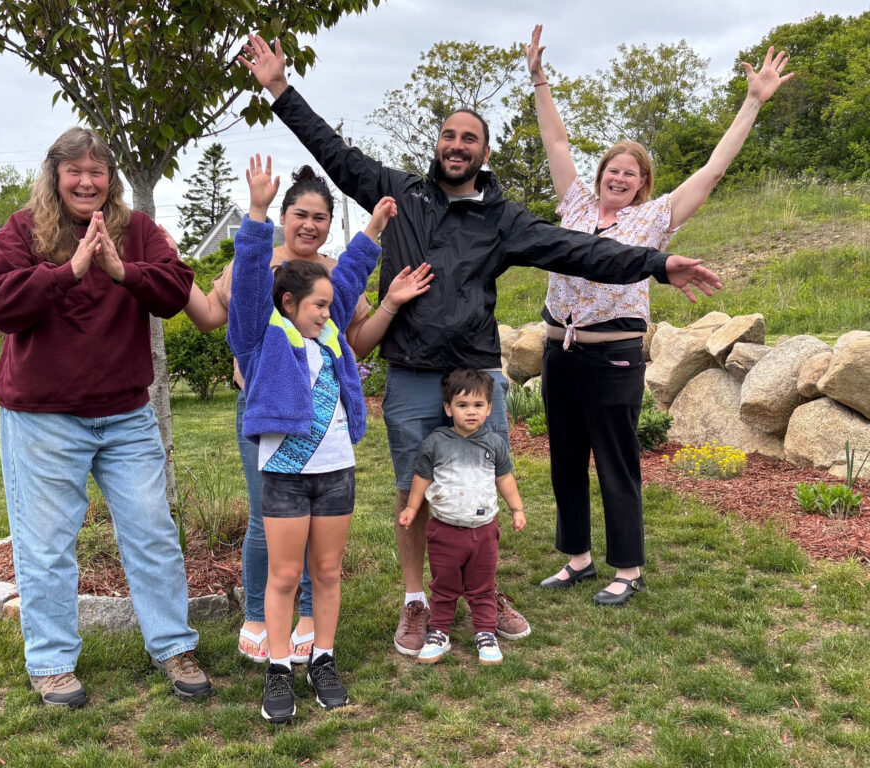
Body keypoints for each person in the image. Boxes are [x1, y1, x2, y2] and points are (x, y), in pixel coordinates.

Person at [239, 33, 721, 653]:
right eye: (449, 136)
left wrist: (655, 264)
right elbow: (333, 151)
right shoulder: (400, 194)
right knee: (414, 488)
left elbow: (581, 249)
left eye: (470, 138)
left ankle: (485, 590)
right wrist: (279, 87)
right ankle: (417, 601)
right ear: (436, 145)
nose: (457, 145)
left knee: (479, 484)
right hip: (412, 372)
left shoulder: (504, 218)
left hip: (473, 374)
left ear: (484, 151)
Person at [525, 26, 792, 605]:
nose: (617, 178)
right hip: (559, 352)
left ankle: (628, 569)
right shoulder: (572, 204)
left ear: (643, 184)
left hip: (613, 355)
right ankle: (578, 559)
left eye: (630, 173)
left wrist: (751, 102)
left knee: (616, 460)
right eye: (611, 170)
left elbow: (714, 171)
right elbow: (558, 145)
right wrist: (540, 80)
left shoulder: (655, 221)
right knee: (565, 457)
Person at [0, 127, 211, 707]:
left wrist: (120, 269)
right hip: (44, 419)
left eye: (98, 171)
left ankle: (173, 647)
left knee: (152, 534)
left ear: (112, 180)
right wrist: (68, 272)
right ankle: (53, 663)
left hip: (126, 415)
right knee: (47, 544)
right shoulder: (24, 229)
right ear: (55, 176)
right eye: (75, 171)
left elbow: (177, 287)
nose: (87, 181)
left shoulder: (137, 232)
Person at [183, 167, 432, 664]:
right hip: (267, 421)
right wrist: (250, 217)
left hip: (324, 427)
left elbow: (347, 308)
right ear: (284, 216)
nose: (311, 224)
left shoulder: (327, 283)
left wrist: (373, 233)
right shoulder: (260, 282)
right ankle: (257, 614)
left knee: (317, 533)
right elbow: (229, 303)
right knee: (267, 521)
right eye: (301, 213)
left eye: (321, 217)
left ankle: (306, 616)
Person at [228, 154, 396, 723]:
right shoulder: (263, 335)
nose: (332, 313)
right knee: (283, 575)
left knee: (326, 573)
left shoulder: (328, 337)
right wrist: (255, 212)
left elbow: (346, 279)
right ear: (288, 305)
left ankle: (322, 658)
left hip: (335, 473)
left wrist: (370, 232)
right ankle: (279, 669)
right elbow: (251, 279)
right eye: (321, 306)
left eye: (331, 305)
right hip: (283, 474)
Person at [398, 369, 527, 666]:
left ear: (489, 408)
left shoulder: (494, 443)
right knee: (444, 587)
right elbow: (421, 478)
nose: (471, 412)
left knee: (482, 587)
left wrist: (517, 509)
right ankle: (439, 633)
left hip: (484, 531)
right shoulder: (436, 442)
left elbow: (505, 479)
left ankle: (485, 633)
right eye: (462, 405)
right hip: (445, 531)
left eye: (478, 405)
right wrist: (412, 508)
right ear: (448, 408)